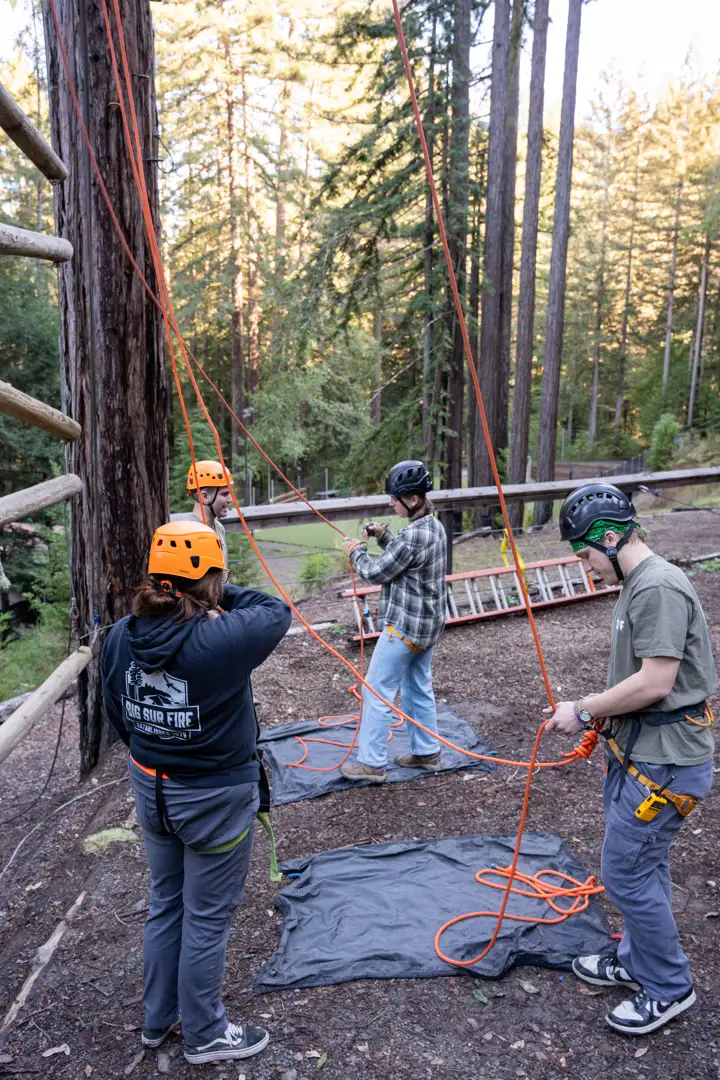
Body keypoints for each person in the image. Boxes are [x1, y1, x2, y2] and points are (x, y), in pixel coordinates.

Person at [101, 520, 291, 1064]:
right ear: (211, 577)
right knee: (206, 916)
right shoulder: (221, 638)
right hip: (213, 798)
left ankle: (158, 1020)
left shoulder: (120, 635)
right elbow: (274, 610)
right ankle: (206, 1034)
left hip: (152, 787)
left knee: (167, 902)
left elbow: (120, 714)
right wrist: (212, 591)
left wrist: (157, 747)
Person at [546, 482, 716, 1036]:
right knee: (644, 866)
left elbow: (655, 681)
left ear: (610, 537)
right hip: (644, 755)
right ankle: (639, 961)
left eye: (586, 554)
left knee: (624, 874)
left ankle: (669, 987)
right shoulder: (639, 583)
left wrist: (586, 709)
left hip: (666, 764)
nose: (586, 566)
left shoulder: (657, 587)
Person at [339, 459, 447, 783]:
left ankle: (372, 764)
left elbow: (375, 571)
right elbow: (405, 558)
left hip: (405, 629)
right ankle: (428, 753)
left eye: (394, 498)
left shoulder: (413, 535)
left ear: (412, 500)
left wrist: (355, 551)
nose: (390, 503)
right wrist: (384, 537)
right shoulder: (433, 526)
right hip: (429, 628)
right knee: (417, 687)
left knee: (376, 689)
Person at [171, 460, 233, 570]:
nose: (230, 499)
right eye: (225, 494)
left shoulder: (219, 528)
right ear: (204, 497)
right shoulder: (186, 534)